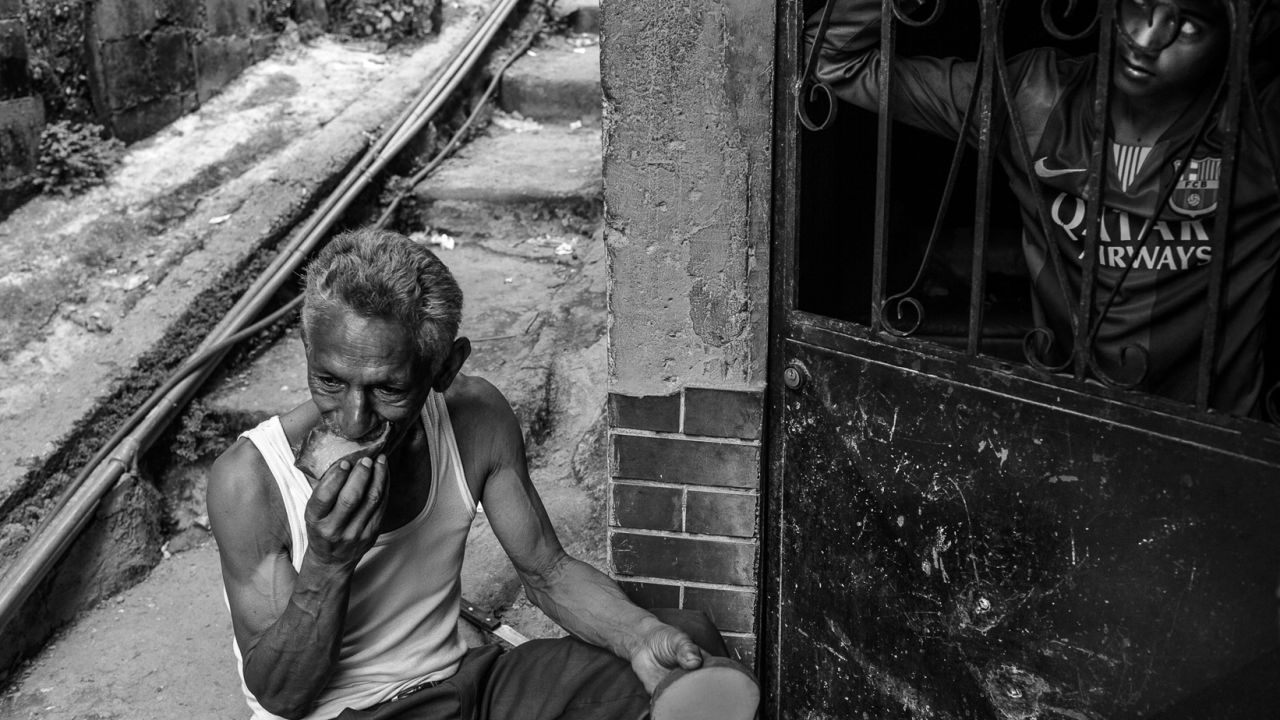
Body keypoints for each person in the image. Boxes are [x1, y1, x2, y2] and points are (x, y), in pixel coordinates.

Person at [206, 229, 757, 720]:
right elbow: (282, 696)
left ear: (444, 368)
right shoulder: (250, 481)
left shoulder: (474, 419)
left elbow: (547, 572)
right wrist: (327, 563)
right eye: (328, 381)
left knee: (681, 651)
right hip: (340, 713)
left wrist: (640, 638)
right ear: (307, 351)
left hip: (459, 687)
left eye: (389, 389)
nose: (353, 418)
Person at [805, 0, 1280, 416]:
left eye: (1190, 25)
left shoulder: (1258, 130)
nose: (1145, 37)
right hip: (1067, 417)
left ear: (1244, 34)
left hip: (1218, 439)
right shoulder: (1036, 96)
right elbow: (832, 62)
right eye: (1138, 3)